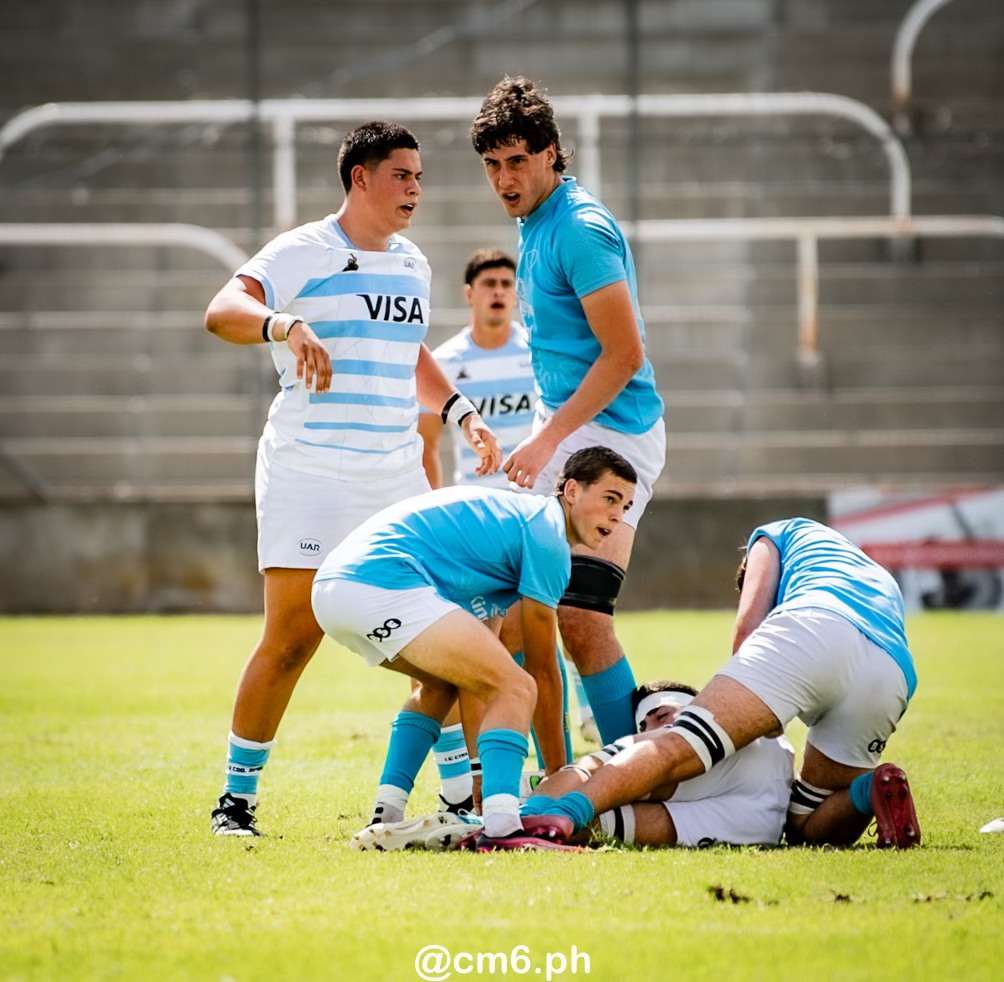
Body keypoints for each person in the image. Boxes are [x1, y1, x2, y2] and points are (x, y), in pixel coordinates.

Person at [204, 120, 502, 837]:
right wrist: (284, 326)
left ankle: (460, 798)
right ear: (360, 178)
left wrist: (461, 411)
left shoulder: (412, 263)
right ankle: (235, 803)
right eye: (402, 175)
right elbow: (222, 311)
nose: (415, 190)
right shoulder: (307, 249)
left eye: (421, 177)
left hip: (393, 474)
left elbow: (408, 348)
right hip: (310, 470)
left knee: (449, 631)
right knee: (291, 638)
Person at [469, 76, 667, 745]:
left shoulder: (580, 229)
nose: (504, 178)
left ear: (553, 153)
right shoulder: (534, 223)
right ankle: (516, 782)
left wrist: (543, 439)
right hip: (563, 428)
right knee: (513, 607)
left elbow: (624, 356)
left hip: (616, 433)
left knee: (579, 616)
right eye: (493, 165)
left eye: (517, 160)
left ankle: (624, 777)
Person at [524, 518, 922, 850]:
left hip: (816, 625)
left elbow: (748, 630)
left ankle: (561, 814)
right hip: (891, 670)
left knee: (675, 749)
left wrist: (757, 713)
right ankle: (870, 789)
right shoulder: (866, 571)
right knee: (804, 822)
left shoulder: (774, 535)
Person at [312, 445, 637, 852]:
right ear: (571, 490)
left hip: (332, 589)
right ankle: (502, 825)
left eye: (625, 505)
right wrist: (557, 771)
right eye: (609, 498)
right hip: (378, 580)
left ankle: (387, 813)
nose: (617, 516)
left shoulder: (509, 527)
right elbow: (540, 669)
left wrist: (482, 770)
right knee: (515, 686)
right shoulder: (548, 535)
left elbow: (475, 673)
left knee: (441, 685)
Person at [357, 680, 794, 852]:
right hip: (750, 821)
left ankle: (492, 823)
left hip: (760, 815)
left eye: (665, 713)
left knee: (612, 783)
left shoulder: (719, 721)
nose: (662, 723)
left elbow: (587, 768)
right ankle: (480, 829)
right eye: (652, 720)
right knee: (611, 821)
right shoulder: (672, 740)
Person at [527, 680, 794, 849]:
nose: (653, 728)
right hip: (761, 826)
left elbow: (593, 766)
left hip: (758, 814)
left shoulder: (708, 728)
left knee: (602, 773)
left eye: (662, 714)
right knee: (601, 823)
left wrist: (529, 808)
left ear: (698, 707)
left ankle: (515, 817)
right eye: (644, 726)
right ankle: (515, 821)